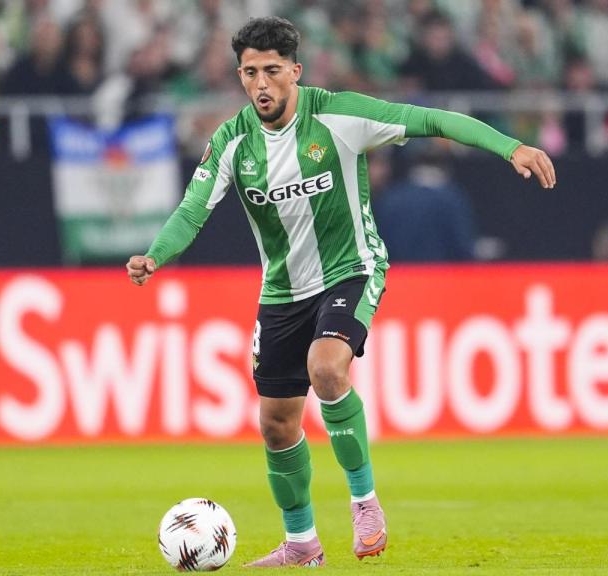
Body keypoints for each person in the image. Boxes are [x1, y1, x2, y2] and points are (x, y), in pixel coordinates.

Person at [126, 16, 555, 568]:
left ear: (295, 72)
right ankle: (302, 544)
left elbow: (429, 118)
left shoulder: (338, 114)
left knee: (327, 367)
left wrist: (509, 146)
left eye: (273, 71)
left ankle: (365, 501)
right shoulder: (232, 141)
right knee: (277, 424)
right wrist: (156, 254)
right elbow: (192, 209)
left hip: (351, 268)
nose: (262, 84)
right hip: (282, 292)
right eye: (250, 72)